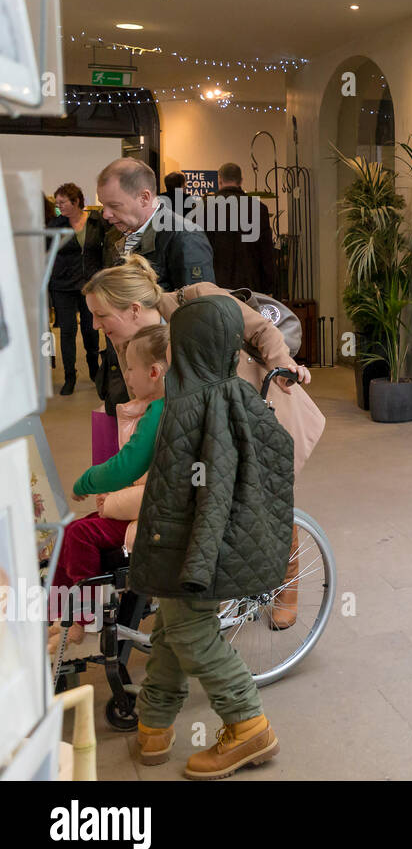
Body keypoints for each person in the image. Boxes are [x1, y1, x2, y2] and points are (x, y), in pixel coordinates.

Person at [83, 256, 323, 628]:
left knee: (267, 493)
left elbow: (261, 331)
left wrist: (285, 366)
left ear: (133, 309)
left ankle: (286, 580)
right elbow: (138, 391)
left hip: (253, 409)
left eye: (101, 314)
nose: (95, 324)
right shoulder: (126, 339)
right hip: (195, 429)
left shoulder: (197, 299)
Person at [128, 294, 294, 779]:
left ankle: (248, 726)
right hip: (217, 545)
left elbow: (208, 492)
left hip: (191, 549)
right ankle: (155, 724)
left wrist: (195, 566)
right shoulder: (238, 396)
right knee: (169, 632)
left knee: (191, 633)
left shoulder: (188, 407)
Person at [51, 325, 169, 657]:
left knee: (78, 535)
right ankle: (59, 613)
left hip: (151, 509)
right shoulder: (174, 401)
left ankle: (84, 616)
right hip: (150, 500)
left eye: (129, 368)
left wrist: (85, 482)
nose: (126, 375)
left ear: (154, 371)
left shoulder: (159, 411)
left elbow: (127, 465)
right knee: (75, 533)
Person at [96, 157, 214, 291]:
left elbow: (199, 307)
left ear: (144, 198)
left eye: (114, 205)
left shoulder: (185, 238)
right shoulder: (115, 235)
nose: (106, 214)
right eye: (103, 205)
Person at [47, 189, 101, 395]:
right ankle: (70, 376)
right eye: (57, 202)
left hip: (90, 285)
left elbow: (101, 250)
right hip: (62, 286)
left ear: (76, 201)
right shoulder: (55, 225)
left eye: (63, 202)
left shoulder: (96, 223)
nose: (59, 206)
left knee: (91, 329)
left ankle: (94, 369)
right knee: (68, 331)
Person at [206, 162, 277, 295]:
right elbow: (266, 253)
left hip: (214, 288)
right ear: (241, 181)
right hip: (250, 288)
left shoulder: (202, 209)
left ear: (219, 180)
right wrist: (269, 287)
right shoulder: (259, 209)